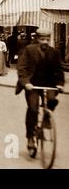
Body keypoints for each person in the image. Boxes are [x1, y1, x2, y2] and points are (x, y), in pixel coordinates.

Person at [16, 29, 65, 157]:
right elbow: (22, 67)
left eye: (47, 40)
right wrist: (26, 82)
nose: (45, 42)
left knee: (52, 100)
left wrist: (60, 84)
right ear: (37, 39)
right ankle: (31, 137)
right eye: (42, 39)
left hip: (49, 84)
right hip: (32, 85)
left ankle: (47, 118)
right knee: (33, 108)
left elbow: (59, 70)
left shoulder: (54, 53)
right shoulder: (29, 50)